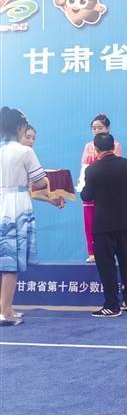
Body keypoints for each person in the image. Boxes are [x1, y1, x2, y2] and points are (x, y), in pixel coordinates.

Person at [80, 133, 127, 317]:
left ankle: (112, 305)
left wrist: (83, 189)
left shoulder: (92, 170)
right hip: (124, 220)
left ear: (96, 149)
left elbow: (87, 196)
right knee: (125, 260)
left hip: (104, 223)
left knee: (106, 264)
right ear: (113, 147)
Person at [0, 108, 47, 326]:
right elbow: (40, 181)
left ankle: (5, 308)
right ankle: (5, 312)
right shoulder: (24, 151)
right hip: (16, 205)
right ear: (20, 127)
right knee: (11, 263)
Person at [77, 114, 122, 263]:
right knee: (89, 221)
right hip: (91, 186)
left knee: (108, 222)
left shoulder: (115, 145)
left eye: (100, 127)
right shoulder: (88, 146)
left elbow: (115, 167)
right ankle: (92, 252)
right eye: (94, 128)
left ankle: (110, 251)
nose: (96, 130)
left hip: (108, 190)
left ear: (107, 128)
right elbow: (85, 167)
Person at [21, 125, 68, 208]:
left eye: (33, 138)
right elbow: (37, 185)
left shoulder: (28, 155)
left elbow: (31, 190)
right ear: (18, 135)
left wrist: (51, 199)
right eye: (28, 137)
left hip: (22, 205)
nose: (31, 141)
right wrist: (54, 186)